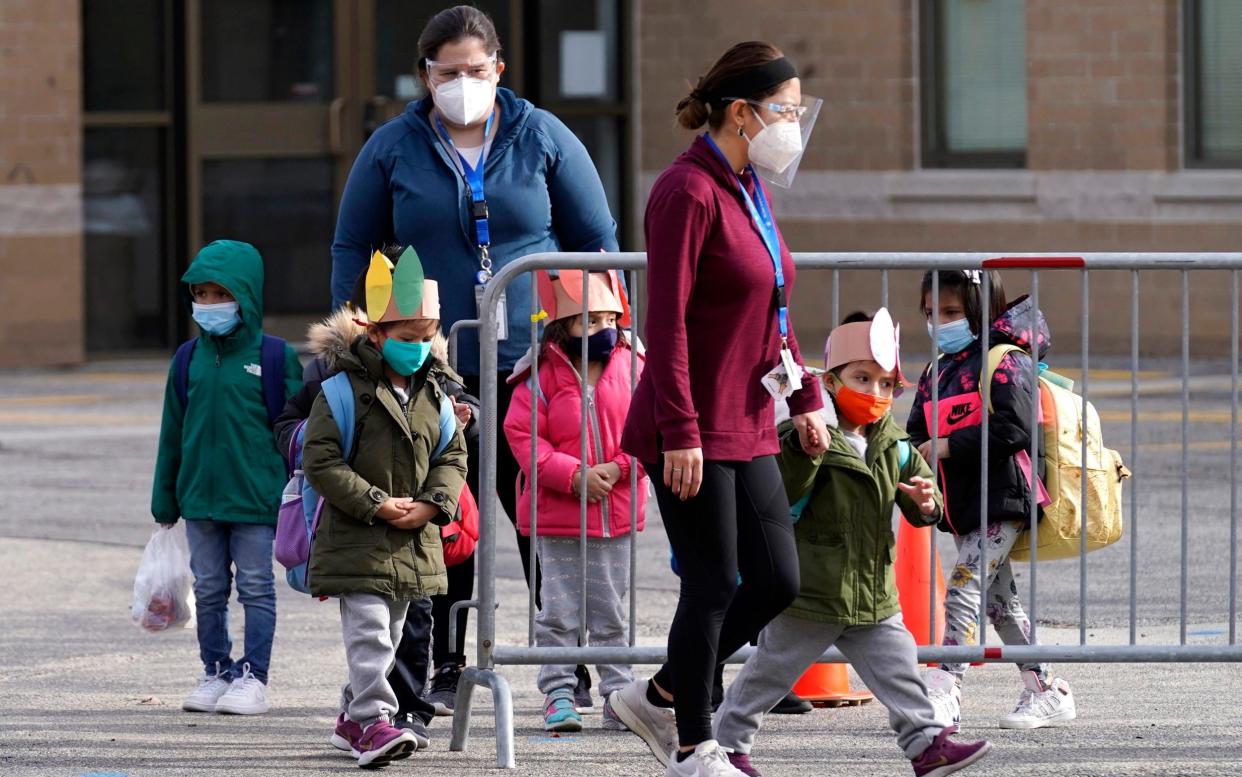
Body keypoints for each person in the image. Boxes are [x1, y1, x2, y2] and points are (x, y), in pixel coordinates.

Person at [329, 4, 613, 708]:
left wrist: (601, 337)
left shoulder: (540, 134)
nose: (462, 82)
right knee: (445, 514)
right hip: (434, 366)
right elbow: (351, 243)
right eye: (447, 72)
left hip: (534, 363)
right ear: (425, 74)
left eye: (475, 70)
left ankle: (562, 666)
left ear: (499, 70)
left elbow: (596, 237)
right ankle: (445, 665)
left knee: (540, 518)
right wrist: (353, 340)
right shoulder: (393, 146)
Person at [608, 41, 831, 777]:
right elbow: (665, 321)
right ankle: (694, 740)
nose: (792, 125)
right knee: (711, 582)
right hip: (690, 426)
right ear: (741, 112)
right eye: (785, 111)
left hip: (748, 418)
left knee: (777, 580)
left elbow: (774, 302)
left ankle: (665, 689)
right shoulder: (687, 191)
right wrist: (680, 429)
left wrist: (805, 396)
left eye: (798, 112)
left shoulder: (747, 184)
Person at [713, 310, 992, 777]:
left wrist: (927, 501)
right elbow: (785, 489)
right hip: (813, 593)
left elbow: (926, 503)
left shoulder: (894, 443)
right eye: (861, 378)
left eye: (886, 383)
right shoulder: (805, 430)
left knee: (900, 670)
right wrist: (808, 450)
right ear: (830, 378)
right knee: (768, 674)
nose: (874, 392)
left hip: (873, 594)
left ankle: (927, 745)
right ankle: (725, 746)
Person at [272, 249, 481, 748]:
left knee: (389, 638)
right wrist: (375, 502)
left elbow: (452, 457)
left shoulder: (434, 393)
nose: (419, 348)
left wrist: (432, 503)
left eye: (427, 338)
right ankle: (371, 721)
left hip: (412, 540)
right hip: (357, 535)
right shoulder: (339, 390)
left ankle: (351, 715)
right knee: (368, 633)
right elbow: (321, 461)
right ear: (376, 334)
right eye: (408, 339)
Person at [906, 270, 1077, 730]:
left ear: (982, 310)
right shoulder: (934, 371)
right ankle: (1046, 689)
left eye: (951, 313)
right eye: (930, 313)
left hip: (1002, 498)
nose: (938, 323)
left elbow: (1015, 428)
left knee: (964, 584)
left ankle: (945, 687)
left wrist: (947, 445)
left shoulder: (1004, 360)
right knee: (999, 603)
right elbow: (915, 434)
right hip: (962, 504)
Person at [151, 240, 303, 716]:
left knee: (256, 587)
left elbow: (296, 433)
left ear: (246, 295)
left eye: (222, 293)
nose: (210, 304)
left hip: (256, 499)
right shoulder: (187, 359)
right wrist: (165, 499)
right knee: (209, 588)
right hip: (199, 498)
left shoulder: (277, 357)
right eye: (202, 294)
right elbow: (172, 432)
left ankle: (254, 676)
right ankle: (216, 669)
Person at [503, 270, 647, 733]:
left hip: (616, 514)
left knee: (611, 609)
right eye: (588, 321)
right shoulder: (538, 374)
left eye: (608, 318)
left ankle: (619, 694)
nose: (602, 329)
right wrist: (573, 476)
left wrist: (622, 468)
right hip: (559, 516)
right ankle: (559, 692)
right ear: (562, 326)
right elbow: (523, 436)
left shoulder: (636, 367)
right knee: (559, 609)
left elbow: (657, 429)